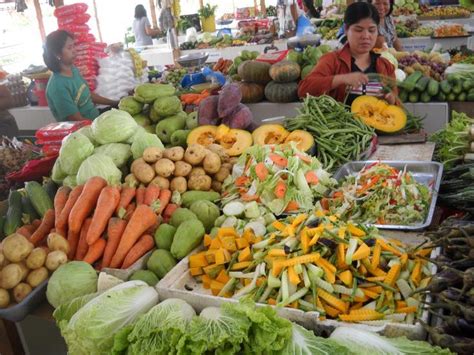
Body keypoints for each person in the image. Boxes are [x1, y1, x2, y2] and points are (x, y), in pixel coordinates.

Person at [298, 2, 397, 106]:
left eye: (372, 30)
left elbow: (396, 104)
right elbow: (304, 90)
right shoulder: (331, 60)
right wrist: (341, 79)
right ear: (346, 29)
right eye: (358, 30)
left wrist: (392, 100)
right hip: (339, 122)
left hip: (376, 121)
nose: (366, 36)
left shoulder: (386, 66)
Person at [43, 30, 118, 122]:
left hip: (96, 117)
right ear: (57, 54)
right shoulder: (58, 86)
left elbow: (87, 94)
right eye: (69, 48)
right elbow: (77, 120)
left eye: (74, 45)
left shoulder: (73, 69)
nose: (75, 50)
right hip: (83, 129)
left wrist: (114, 103)